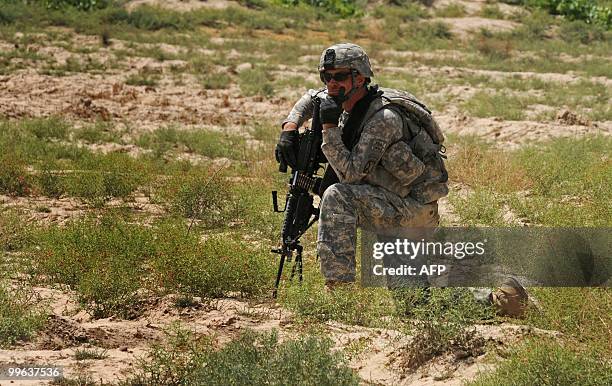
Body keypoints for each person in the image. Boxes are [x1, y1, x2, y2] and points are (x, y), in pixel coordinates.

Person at [275, 43, 529, 317]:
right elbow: (310, 99)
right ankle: (502, 300)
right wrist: (290, 128)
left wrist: (329, 130)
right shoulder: (344, 96)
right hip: (391, 203)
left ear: (359, 78)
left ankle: (339, 297)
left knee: (337, 196)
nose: (331, 84)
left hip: (411, 212)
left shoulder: (383, 119)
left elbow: (350, 174)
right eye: (326, 77)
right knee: (414, 306)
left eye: (338, 77)